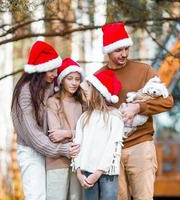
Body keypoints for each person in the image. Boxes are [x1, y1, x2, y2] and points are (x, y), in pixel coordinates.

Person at [100, 22, 175, 200]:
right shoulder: (98, 78)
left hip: (141, 145)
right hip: (111, 150)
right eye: (118, 50)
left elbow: (167, 100)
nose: (124, 54)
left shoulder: (144, 71)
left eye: (126, 48)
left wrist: (139, 107)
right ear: (108, 51)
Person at [11, 41, 79, 200]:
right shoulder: (25, 93)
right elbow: (34, 136)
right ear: (40, 70)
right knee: (36, 196)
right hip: (31, 151)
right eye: (52, 70)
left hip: (50, 151)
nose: (56, 74)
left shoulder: (49, 85)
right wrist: (63, 149)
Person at [71, 69, 124, 200]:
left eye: (89, 87)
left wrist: (98, 172)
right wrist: (78, 171)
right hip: (86, 172)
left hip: (107, 173)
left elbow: (113, 149)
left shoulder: (114, 118)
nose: (85, 90)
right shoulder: (84, 117)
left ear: (99, 91)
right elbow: (77, 144)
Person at [45, 58, 84, 200]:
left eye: (77, 79)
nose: (74, 83)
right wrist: (76, 136)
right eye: (70, 78)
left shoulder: (82, 103)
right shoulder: (53, 102)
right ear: (62, 80)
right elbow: (55, 135)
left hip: (78, 161)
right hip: (57, 162)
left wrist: (66, 133)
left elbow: (87, 133)